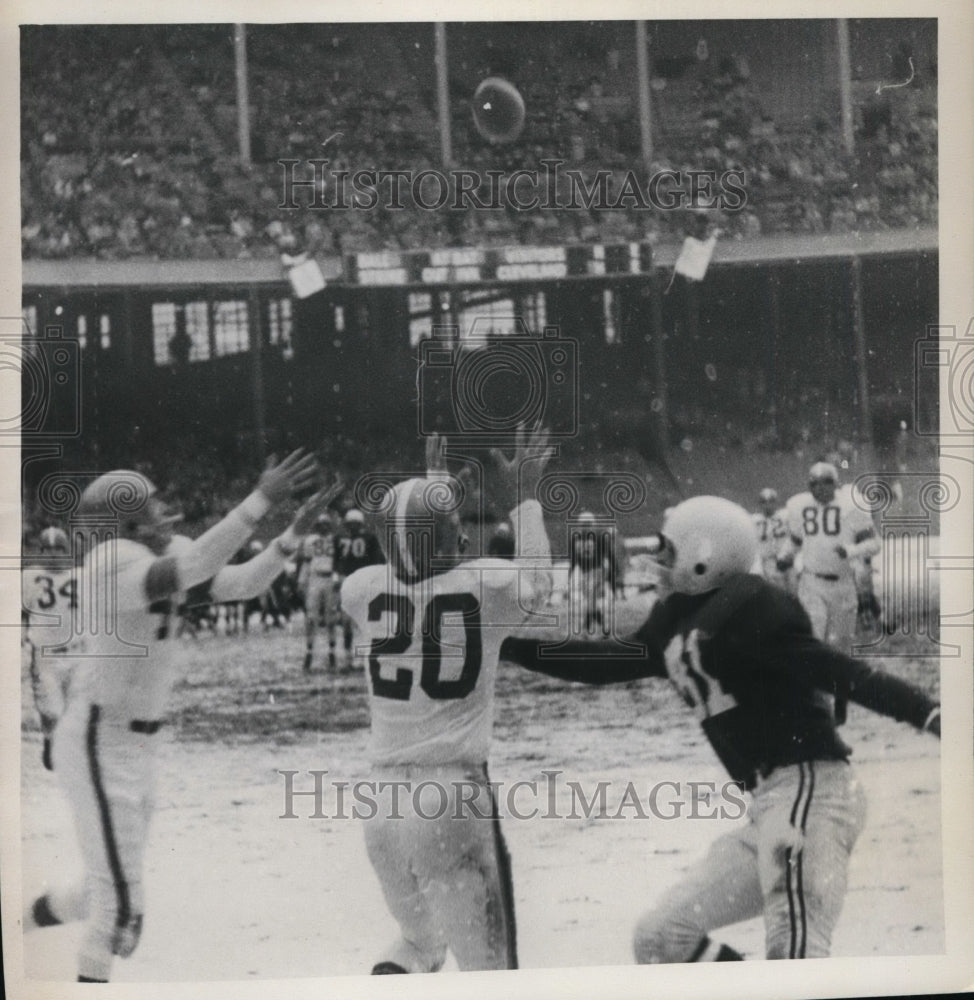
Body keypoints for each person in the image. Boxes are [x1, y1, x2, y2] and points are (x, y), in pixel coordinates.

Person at [501, 495, 940, 962]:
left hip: (813, 794)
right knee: (660, 935)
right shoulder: (674, 622)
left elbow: (843, 673)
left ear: (703, 556)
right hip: (770, 803)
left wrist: (928, 713)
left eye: (670, 552)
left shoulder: (751, 605)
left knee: (795, 960)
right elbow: (601, 662)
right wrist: (510, 648)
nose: (660, 563)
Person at [23, 452, 336, 983]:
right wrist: (259, 500)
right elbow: (190, 568)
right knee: (118, 914)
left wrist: (290, 537)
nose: (165, 511)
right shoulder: (110, 561)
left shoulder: (153, 553)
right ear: (124, 523)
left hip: (133, 745)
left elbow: (239, 584)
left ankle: (17, 926)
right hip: (99, 736)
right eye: (152, 506)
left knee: (102, 893)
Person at [340, 427, 553, 974]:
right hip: (450, 795)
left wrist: (433, 492)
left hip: (381, 800)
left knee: (417, 945)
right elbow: (536, 585)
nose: (464, 538)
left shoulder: (361, 590)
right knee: (492, 969)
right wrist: (524, 498)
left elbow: (414, 553)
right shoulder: (485, 586)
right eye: (456, 529)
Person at [777, 462, 881, 721]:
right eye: (813, 483)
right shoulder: (799, 506)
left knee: (840, 648)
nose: (819, 488)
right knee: (813, 638)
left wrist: (851, 550)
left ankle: (841, 701)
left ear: (835, 483)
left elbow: (875, 542)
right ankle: (815, 704)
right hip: (812, 581)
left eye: (825, 482)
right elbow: (796, 540)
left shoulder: (851, 508)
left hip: (844, 584)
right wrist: (786, 556)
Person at [22, 526, 77, 771]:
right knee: (52, 709)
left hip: (77, 651)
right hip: (45, 654)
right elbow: (20, 612)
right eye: (48, 549)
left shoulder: (80, 576)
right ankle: (50, 738)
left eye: (59, 549)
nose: (54, 555)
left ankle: (71, 750)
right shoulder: (30, 577)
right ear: (40, 552)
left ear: (68, 552)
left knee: (77, 707)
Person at [333, 508, 384, 664]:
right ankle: (354, 654)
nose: (352, 527)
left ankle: (353, 654)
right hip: (359, 579)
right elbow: (376, 561)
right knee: (355, 619)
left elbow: (336, 561)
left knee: (355, 619)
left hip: (351, 579)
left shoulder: (340, 538)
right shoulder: (369, 537)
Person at [296, 511, 340, 672]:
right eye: (320, 525)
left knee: (331, 617)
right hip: (315, 578)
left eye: (326, 525)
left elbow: (339, 561)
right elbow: (307, 563)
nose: (323, 528)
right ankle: (309, 650)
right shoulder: (310, 541)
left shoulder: (336, 540)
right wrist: (301, 581)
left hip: (330, 578)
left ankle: (332, 651)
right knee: (311, 616)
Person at [752, 488, 791, 592]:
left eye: (771, 501)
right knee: (775, 590)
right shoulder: (754, 520)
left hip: (787, 559)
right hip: (768, 561)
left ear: (776, 502)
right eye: (764, 502)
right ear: (760, 504)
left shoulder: (785, 516)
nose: (768, 505)